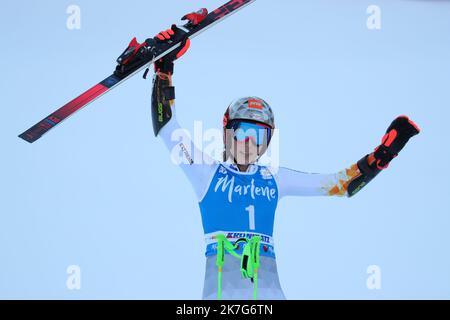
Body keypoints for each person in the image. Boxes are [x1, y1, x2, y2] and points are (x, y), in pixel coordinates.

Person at [150, 24, 421, 300]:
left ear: (268, 140)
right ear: (226, 132)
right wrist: (164, 71)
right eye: (243, 131)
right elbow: (167, 127)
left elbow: (342, 185)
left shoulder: (275, 179)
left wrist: (383, 156)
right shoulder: (205, 172)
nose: (249, 143)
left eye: (259, 135)